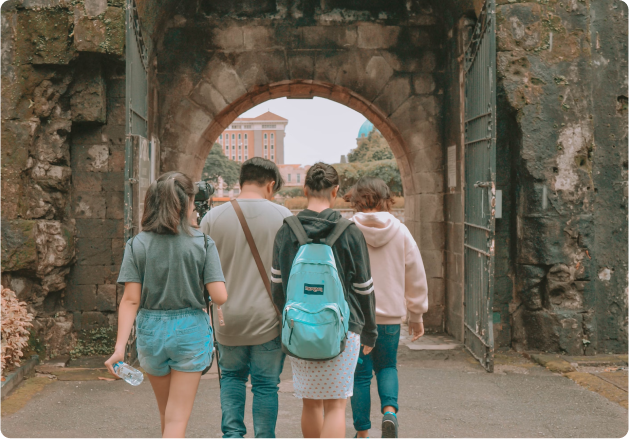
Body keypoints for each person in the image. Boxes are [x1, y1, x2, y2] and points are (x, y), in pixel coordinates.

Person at [105, 171, 228, 439]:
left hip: (150, 332)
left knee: (166, 415)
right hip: (189, 332)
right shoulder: (203, 243)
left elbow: (130, 300)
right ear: (186, 204)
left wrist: (119, 348)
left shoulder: (137, 244)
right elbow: (219, 296)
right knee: (177, 419)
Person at [271, 162, 378, 439]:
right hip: (343, 329)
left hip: (299, 326)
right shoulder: (349, 231)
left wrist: (293, 319)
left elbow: (277, 287)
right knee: (336, 405)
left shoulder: (287, 231)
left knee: (310, 403)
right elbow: (364, 288)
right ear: (336, 191)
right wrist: (370, 330)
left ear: (305, 189)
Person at [200, 157, 291, 439]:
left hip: (227, 318)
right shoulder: (285, 217)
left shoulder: (212, 218)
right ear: (271, 184)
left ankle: (233, 436)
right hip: (269, 319)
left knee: (231, 378)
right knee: (265, 385)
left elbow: (200, 271)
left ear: (241, 181)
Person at [345, 177, 428, 439]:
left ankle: (362, 434)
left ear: (356, 200)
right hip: (390, 317)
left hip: (356, 318)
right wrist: (416, 314)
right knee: (387, 367)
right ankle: (390, 412)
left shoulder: (347, 230)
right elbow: (415, 273)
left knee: (359, 376)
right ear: (386, 199)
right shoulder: (400, 230)